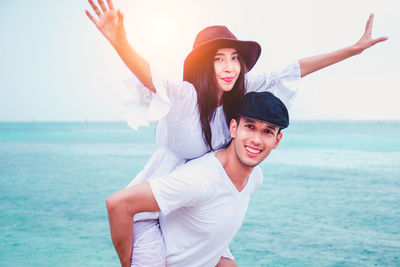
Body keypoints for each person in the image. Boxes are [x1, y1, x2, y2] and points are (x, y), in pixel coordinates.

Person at [85, 0, 388, 265]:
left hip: (197, 207)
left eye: (234, 58)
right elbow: (151, 77)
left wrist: (353, 50)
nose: (229, 67)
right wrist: (120, 43)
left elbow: (294, 69)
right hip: (153, 207)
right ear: (205, 64)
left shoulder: (240, 93)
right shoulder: (186, 99)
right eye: (218, 58)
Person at [106, 91, 289, 267]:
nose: (256, 139)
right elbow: (118, 204)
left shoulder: (255, 178)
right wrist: (128, 263)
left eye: (267, 132)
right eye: (250, 127)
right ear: (234, 128)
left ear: (277, 141)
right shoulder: (200, 179)